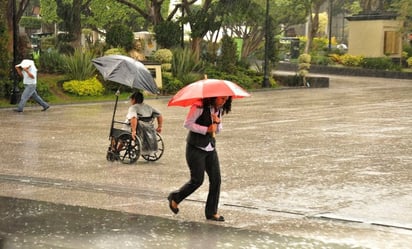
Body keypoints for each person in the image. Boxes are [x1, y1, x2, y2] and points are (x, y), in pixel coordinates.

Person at [168, 96, 232, 222]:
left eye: (226, 99)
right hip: (195, 148)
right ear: (214, 96)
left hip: (210, 148)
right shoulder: (199, 106)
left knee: (216, 180)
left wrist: (217, 122)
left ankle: (211, 212)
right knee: (197, 180)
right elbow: (188, 123)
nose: (223, 101)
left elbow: (217, 130)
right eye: (222, 98)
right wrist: (205, 129)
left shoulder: (218, 109)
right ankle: (175, 197)